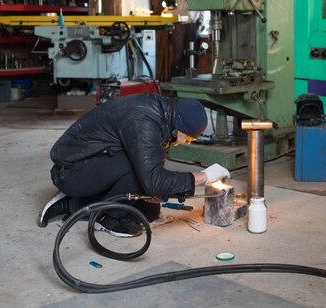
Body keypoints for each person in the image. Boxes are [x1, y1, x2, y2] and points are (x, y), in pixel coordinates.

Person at [37, 92, 230, 237]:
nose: (187, 142)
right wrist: (204, 177)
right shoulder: (144, 120)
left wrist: (162, 191)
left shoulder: (164, 116)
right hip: (72, 170)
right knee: (139, 172)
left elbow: (154, 168)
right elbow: (152, 179)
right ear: (179, 125)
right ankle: (108, 219)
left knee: (149, 212)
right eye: (188, 138)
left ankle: (72, 203)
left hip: (94, 162)